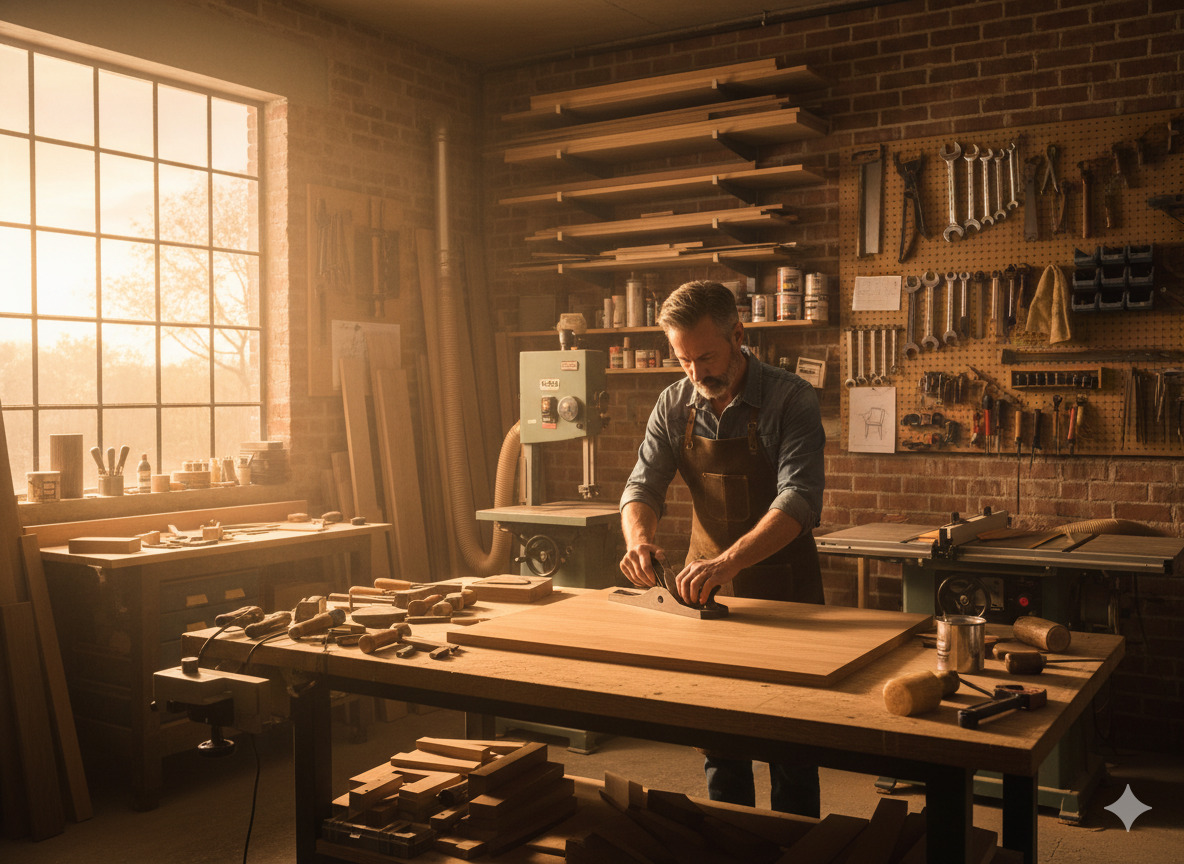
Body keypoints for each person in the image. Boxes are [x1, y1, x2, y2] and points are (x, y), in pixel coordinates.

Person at [618, 279, 826, 817]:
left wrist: (730, 560)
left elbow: (799, 498)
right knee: (720, 739)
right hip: (704, 593)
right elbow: (642, 486)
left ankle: (795, 844)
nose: (696, 373)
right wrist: (639, 542)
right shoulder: (674, 403)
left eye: (706, 357)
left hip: (785, 593)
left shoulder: (790, 398)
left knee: (791, 743)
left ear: (738, 335)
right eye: (683, 360)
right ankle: (730, 841)